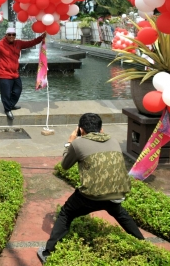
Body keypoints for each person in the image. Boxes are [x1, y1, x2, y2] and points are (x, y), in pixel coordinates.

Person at [37, 113, 144, 264]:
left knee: (66, 213)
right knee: (119, 212)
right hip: (117, 192)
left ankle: (48, 252)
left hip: (91, 195)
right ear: (101, 129)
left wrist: (70, 142)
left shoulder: (78, 143)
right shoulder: (113, 140)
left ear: (80, 130)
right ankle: (142, 242)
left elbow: (65, 166)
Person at [0, 27, 45, 120]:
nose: (11, 36)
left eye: (13, 34)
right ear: (6, 35)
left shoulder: (18, 43)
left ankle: (10, 105)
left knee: (18, 91)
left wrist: (41, 37)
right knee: (6, 94)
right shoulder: (0, 44)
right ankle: (7, 109)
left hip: (15, 74)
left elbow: (31, 43)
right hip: (3, 74)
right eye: (9, 34)